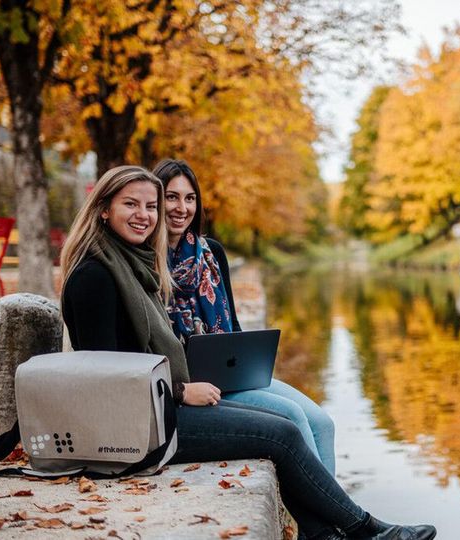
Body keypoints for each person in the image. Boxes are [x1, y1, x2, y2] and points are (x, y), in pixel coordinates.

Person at [60, 165, 435, 540]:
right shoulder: (96, 276)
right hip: (139, 429)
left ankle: (326, 535)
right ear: (104, 209)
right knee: (282, 435)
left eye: (149, 206)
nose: (145, 215)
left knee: (289, 428)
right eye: (132, 205)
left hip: (160, 410)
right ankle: (364, 529)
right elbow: (105, 382)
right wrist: (179, 391)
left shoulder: (133, 265)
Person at [152, 158, 336, 475]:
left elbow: (233, 327)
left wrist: (248, 361)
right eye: (172, 196)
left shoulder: (211, 253)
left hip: (232, 377)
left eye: (190, 198)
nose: (182, 207)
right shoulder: (144, 262)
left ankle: (334, 521)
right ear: (156, 199)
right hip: (189, 390)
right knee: (293, 417)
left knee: (323, 422)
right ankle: (334, 519)